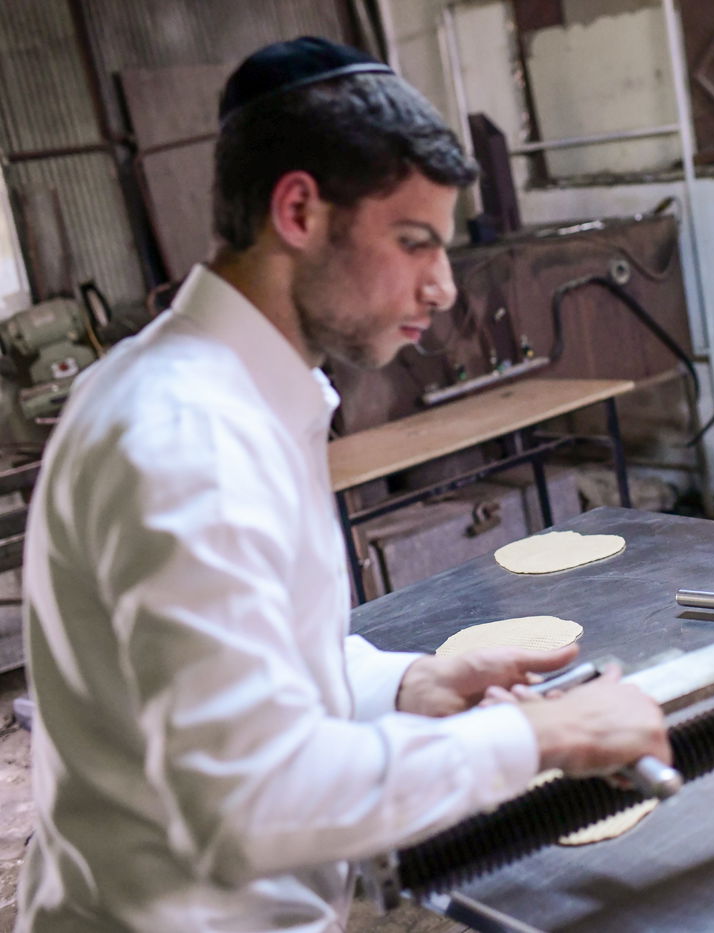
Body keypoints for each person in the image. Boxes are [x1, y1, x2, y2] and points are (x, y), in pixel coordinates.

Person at [18, 37, 669, 932]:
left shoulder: (220, 392)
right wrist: (536, 736)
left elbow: (248, 664)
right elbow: (254, 795)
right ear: (299, 210)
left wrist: (410, 686)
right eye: (413, 242)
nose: (442, 285)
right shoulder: (183, 440)